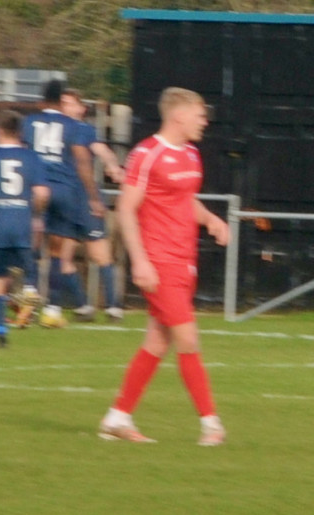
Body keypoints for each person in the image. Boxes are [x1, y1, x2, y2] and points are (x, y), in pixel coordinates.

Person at [97, 87, 228, 446]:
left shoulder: (191, 154)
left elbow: (184, 201)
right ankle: (211, 424)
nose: (204, 121)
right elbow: (126, 208)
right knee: (188, 338)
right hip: (159, 260)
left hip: (185, 259)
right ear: (178, 115)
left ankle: (117, 417)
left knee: (157, 341)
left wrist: (211, 220)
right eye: (200, 114)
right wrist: (140, 261)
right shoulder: (146, 153)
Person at [22, 80, 104, 328]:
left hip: (37, 190)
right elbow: (82, 161)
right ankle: (53, 310)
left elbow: (22, 152)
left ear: (43, 100)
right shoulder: (73, 125)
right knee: (57, 253)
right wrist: (92, 197)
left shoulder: (29, 122)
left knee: (33, 247)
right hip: (64, 191)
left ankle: (28, 296)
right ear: (61, 101)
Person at [0, 110, 50, 347]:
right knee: (28, 267)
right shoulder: (31, 159)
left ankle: (1, 331)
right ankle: (30, 290)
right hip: (22, 225)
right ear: (20, 132)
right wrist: (32, 210)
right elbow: (43, 194)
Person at [60, 88, 125, 322]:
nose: (66, 108)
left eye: (70, 103)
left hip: (85, 198)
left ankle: (113, 306)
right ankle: (83, 305)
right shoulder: (55, 129)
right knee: (64, 257)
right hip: (64, 201)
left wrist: (113, 166)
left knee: (100, 255)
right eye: (62, 103)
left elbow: (102, 150)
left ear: (81, 108)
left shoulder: (84, 129)